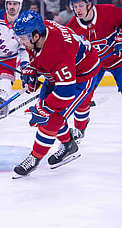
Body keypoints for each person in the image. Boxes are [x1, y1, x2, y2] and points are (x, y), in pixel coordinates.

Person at [12, 10, 100, 177]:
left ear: (35, 36)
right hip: (63, 72)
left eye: (22, 38)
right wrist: (32, 70)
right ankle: (69, 146)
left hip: (82, 76)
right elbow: (38, 57)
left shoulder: (58, 52)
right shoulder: (40, 30)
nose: (20, 41)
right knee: (48, 112)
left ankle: (35, 157)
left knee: (51, 117)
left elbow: (65, 93)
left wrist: (44, 108)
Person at [66, 0, 122, 142]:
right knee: (82, 99)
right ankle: (80, 129)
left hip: (118, 61)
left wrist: (120, 36)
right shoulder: (71, 29)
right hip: (94, 66)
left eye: (81, 6)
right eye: (75, 6)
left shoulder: (108, 12)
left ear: (89, 4)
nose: (77, 10)